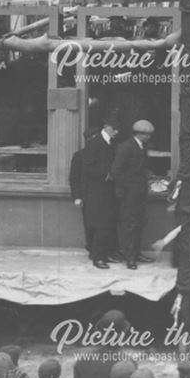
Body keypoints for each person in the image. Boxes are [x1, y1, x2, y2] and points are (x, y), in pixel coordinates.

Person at [112, 120, 156, 270]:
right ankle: (130, 257)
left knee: (138, 223)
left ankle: (136, 253)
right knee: (129, 225)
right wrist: (127, 189)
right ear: (139, 134)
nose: (149, 137)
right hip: (129, 195)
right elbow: (117, 170)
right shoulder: (126, 147)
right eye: (147, 135)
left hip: (139, 193)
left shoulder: (141, 147)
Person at [80, 115, 120, 269]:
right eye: (115, 129)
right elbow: (88, 167)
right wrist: (106, 175)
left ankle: (103, 254)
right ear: (108, 127)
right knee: (98, 225)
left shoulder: (109, 143)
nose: (117, 132)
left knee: (105, 224)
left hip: (106, 192)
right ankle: (98, 258)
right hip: (96, 192)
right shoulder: (95, 143)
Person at [69, 129, 96, 258]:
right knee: (90, 224)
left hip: (104, 196)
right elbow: (74, 177)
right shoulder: (79, 155)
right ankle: (92, 248)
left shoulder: (105, 154)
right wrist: (77, 197)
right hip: (87, 196)